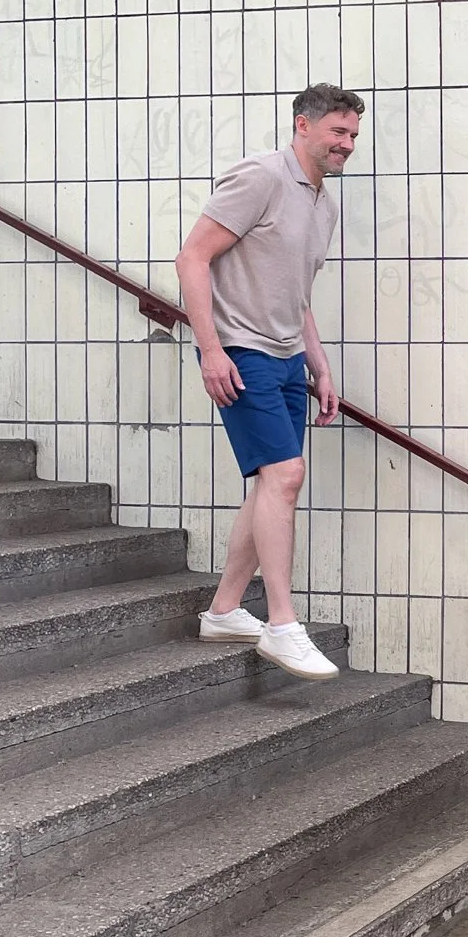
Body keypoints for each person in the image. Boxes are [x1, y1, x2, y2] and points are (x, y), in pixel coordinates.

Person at [174, 84, 364, 680]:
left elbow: (297, 295)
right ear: (302, 126)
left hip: (285, 359)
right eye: (338, 132)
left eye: (354, 135)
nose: (347, 144)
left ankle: (226, 609)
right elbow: (192, 258)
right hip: (241, 351)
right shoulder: (260, 178)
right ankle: (282, 622)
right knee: (285, 476)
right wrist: (211, 349)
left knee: (268, 487)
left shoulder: (323, 204)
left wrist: (320, 366)